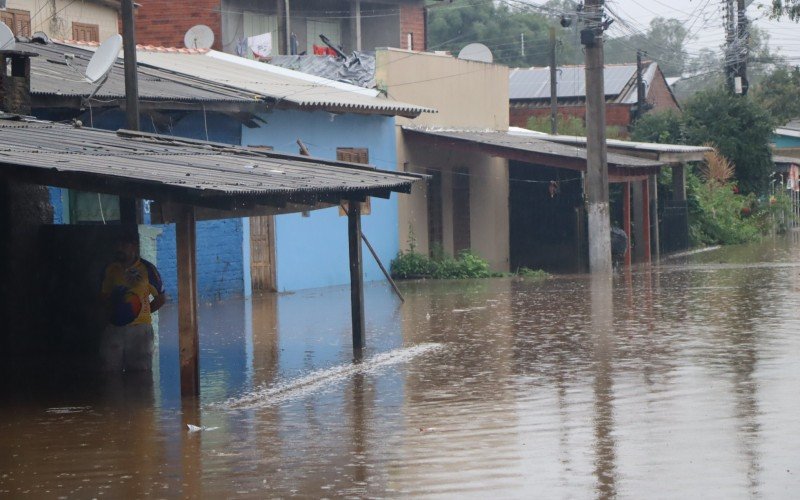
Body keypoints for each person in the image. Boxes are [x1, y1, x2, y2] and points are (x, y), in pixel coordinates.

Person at [100, 228, 165, 372]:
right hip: (114, 329)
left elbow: (161, 298)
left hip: (140, 332)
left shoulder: (148, 270)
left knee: (141, 376)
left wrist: (142, 312)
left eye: (124, 245)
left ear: (134, 246)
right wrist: (113, 314)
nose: (119, 248)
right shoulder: (109, 269)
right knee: (110, 375)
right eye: (118, 245)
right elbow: (103, 297)